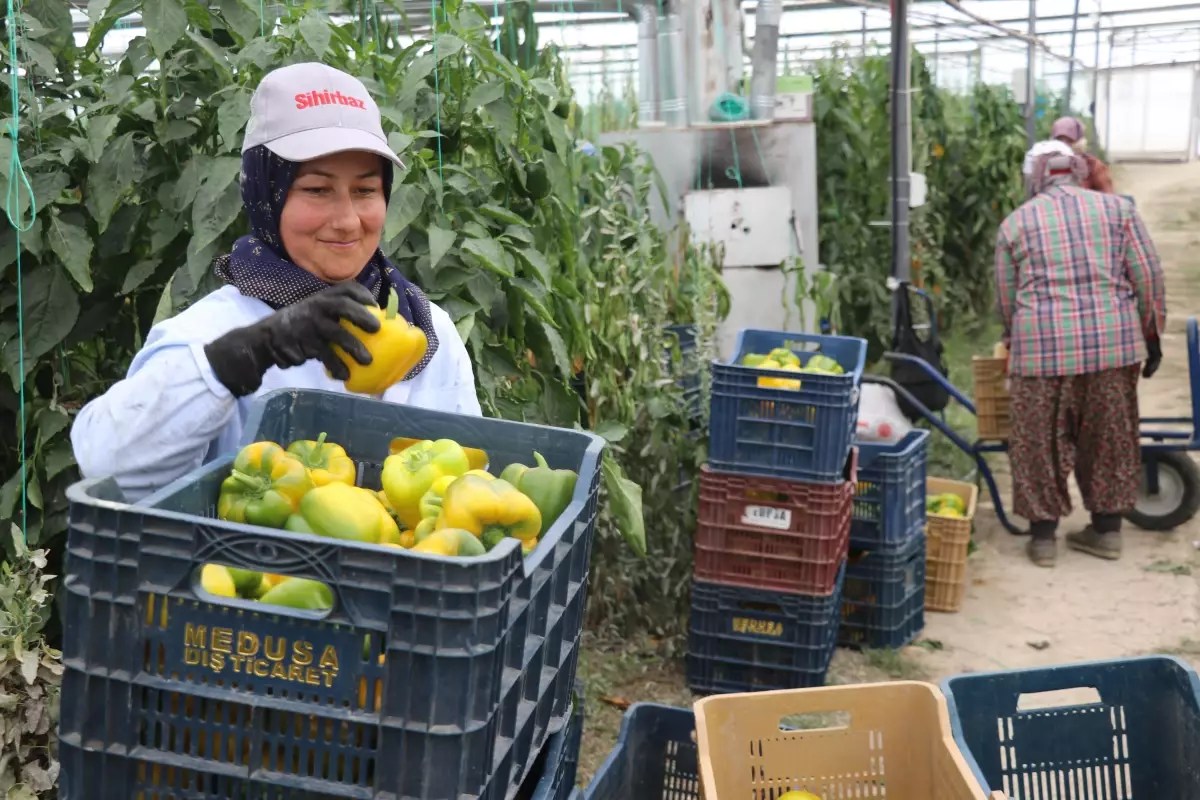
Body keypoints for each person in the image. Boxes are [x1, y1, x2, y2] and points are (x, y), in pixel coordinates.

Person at [71, 63, 481, 502]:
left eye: (365, 191)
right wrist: (243, 356)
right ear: (266, 195)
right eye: (316, 190)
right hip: (250, 568)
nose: (346, 221)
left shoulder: (427, 330)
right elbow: (110, 469)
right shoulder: (207, 335)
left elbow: (469, 479)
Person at [995, 150, 1165, 568]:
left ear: (1036, 179)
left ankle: (1043, 540)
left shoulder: (1015, 223)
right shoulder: (1118, 210)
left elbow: (1006, 299)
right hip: (1113, 346)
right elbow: (1147, 277)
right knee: (1109, 437)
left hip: (1041, 352)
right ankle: (1107, 532)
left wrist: (1014, 340)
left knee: (1038, 442)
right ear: (1080, 174)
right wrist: (1151, 335)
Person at [1050, 115, 1114, 194]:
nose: (1064, 145)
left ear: (1080, 141)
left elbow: (1108, 195)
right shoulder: (1045, 165)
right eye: (1059, 140)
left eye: (1070, 140)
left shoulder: (1092, 165)